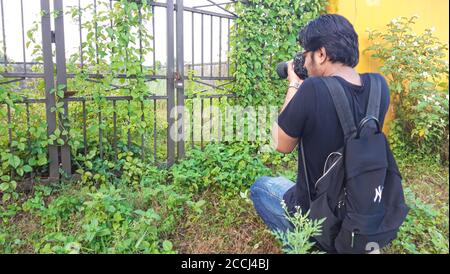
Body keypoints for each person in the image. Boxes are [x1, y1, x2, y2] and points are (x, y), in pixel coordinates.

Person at [250, 14, 390, 233]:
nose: (304, 63)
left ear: (322, 54)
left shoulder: (312, 88)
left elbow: (280, 143)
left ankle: (302, 242)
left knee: (260, 187)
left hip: (315, 215)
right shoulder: (379, 86)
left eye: (306, 55)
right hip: (359, 208)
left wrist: (295, 83)